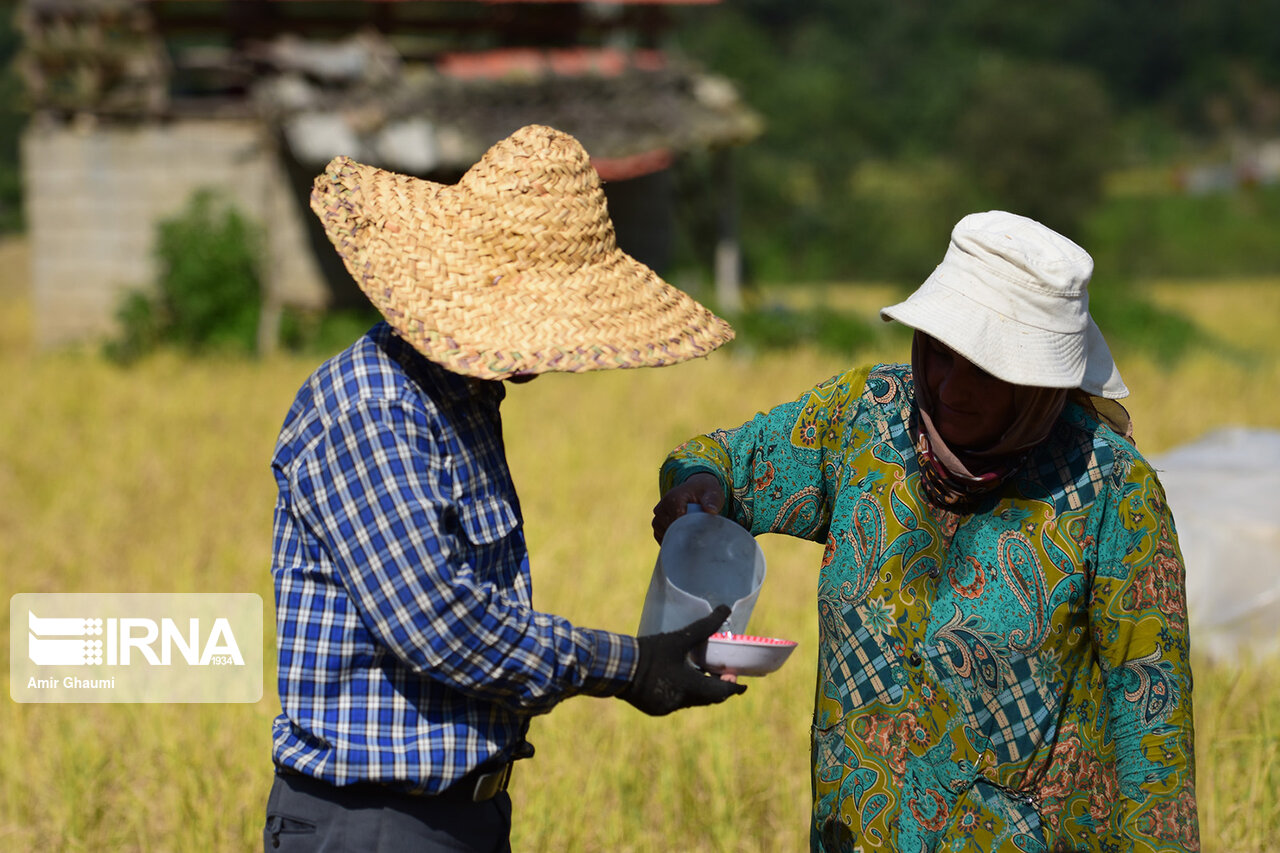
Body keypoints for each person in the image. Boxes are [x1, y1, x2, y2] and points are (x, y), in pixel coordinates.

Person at [264, 124, 746, 853]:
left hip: (462, 813)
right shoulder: (375, 406)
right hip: (377, 824)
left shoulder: (462, 399)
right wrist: (629, 664)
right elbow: (437, 620)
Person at [653, 211, 1198, 852]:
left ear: (1041, 383)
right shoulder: (865, 420)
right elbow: (718, 462)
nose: (949, 388)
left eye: (987, 371)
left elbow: (1152, 730)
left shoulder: (1110, 491)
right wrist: (698, 488)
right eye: (940, 353)